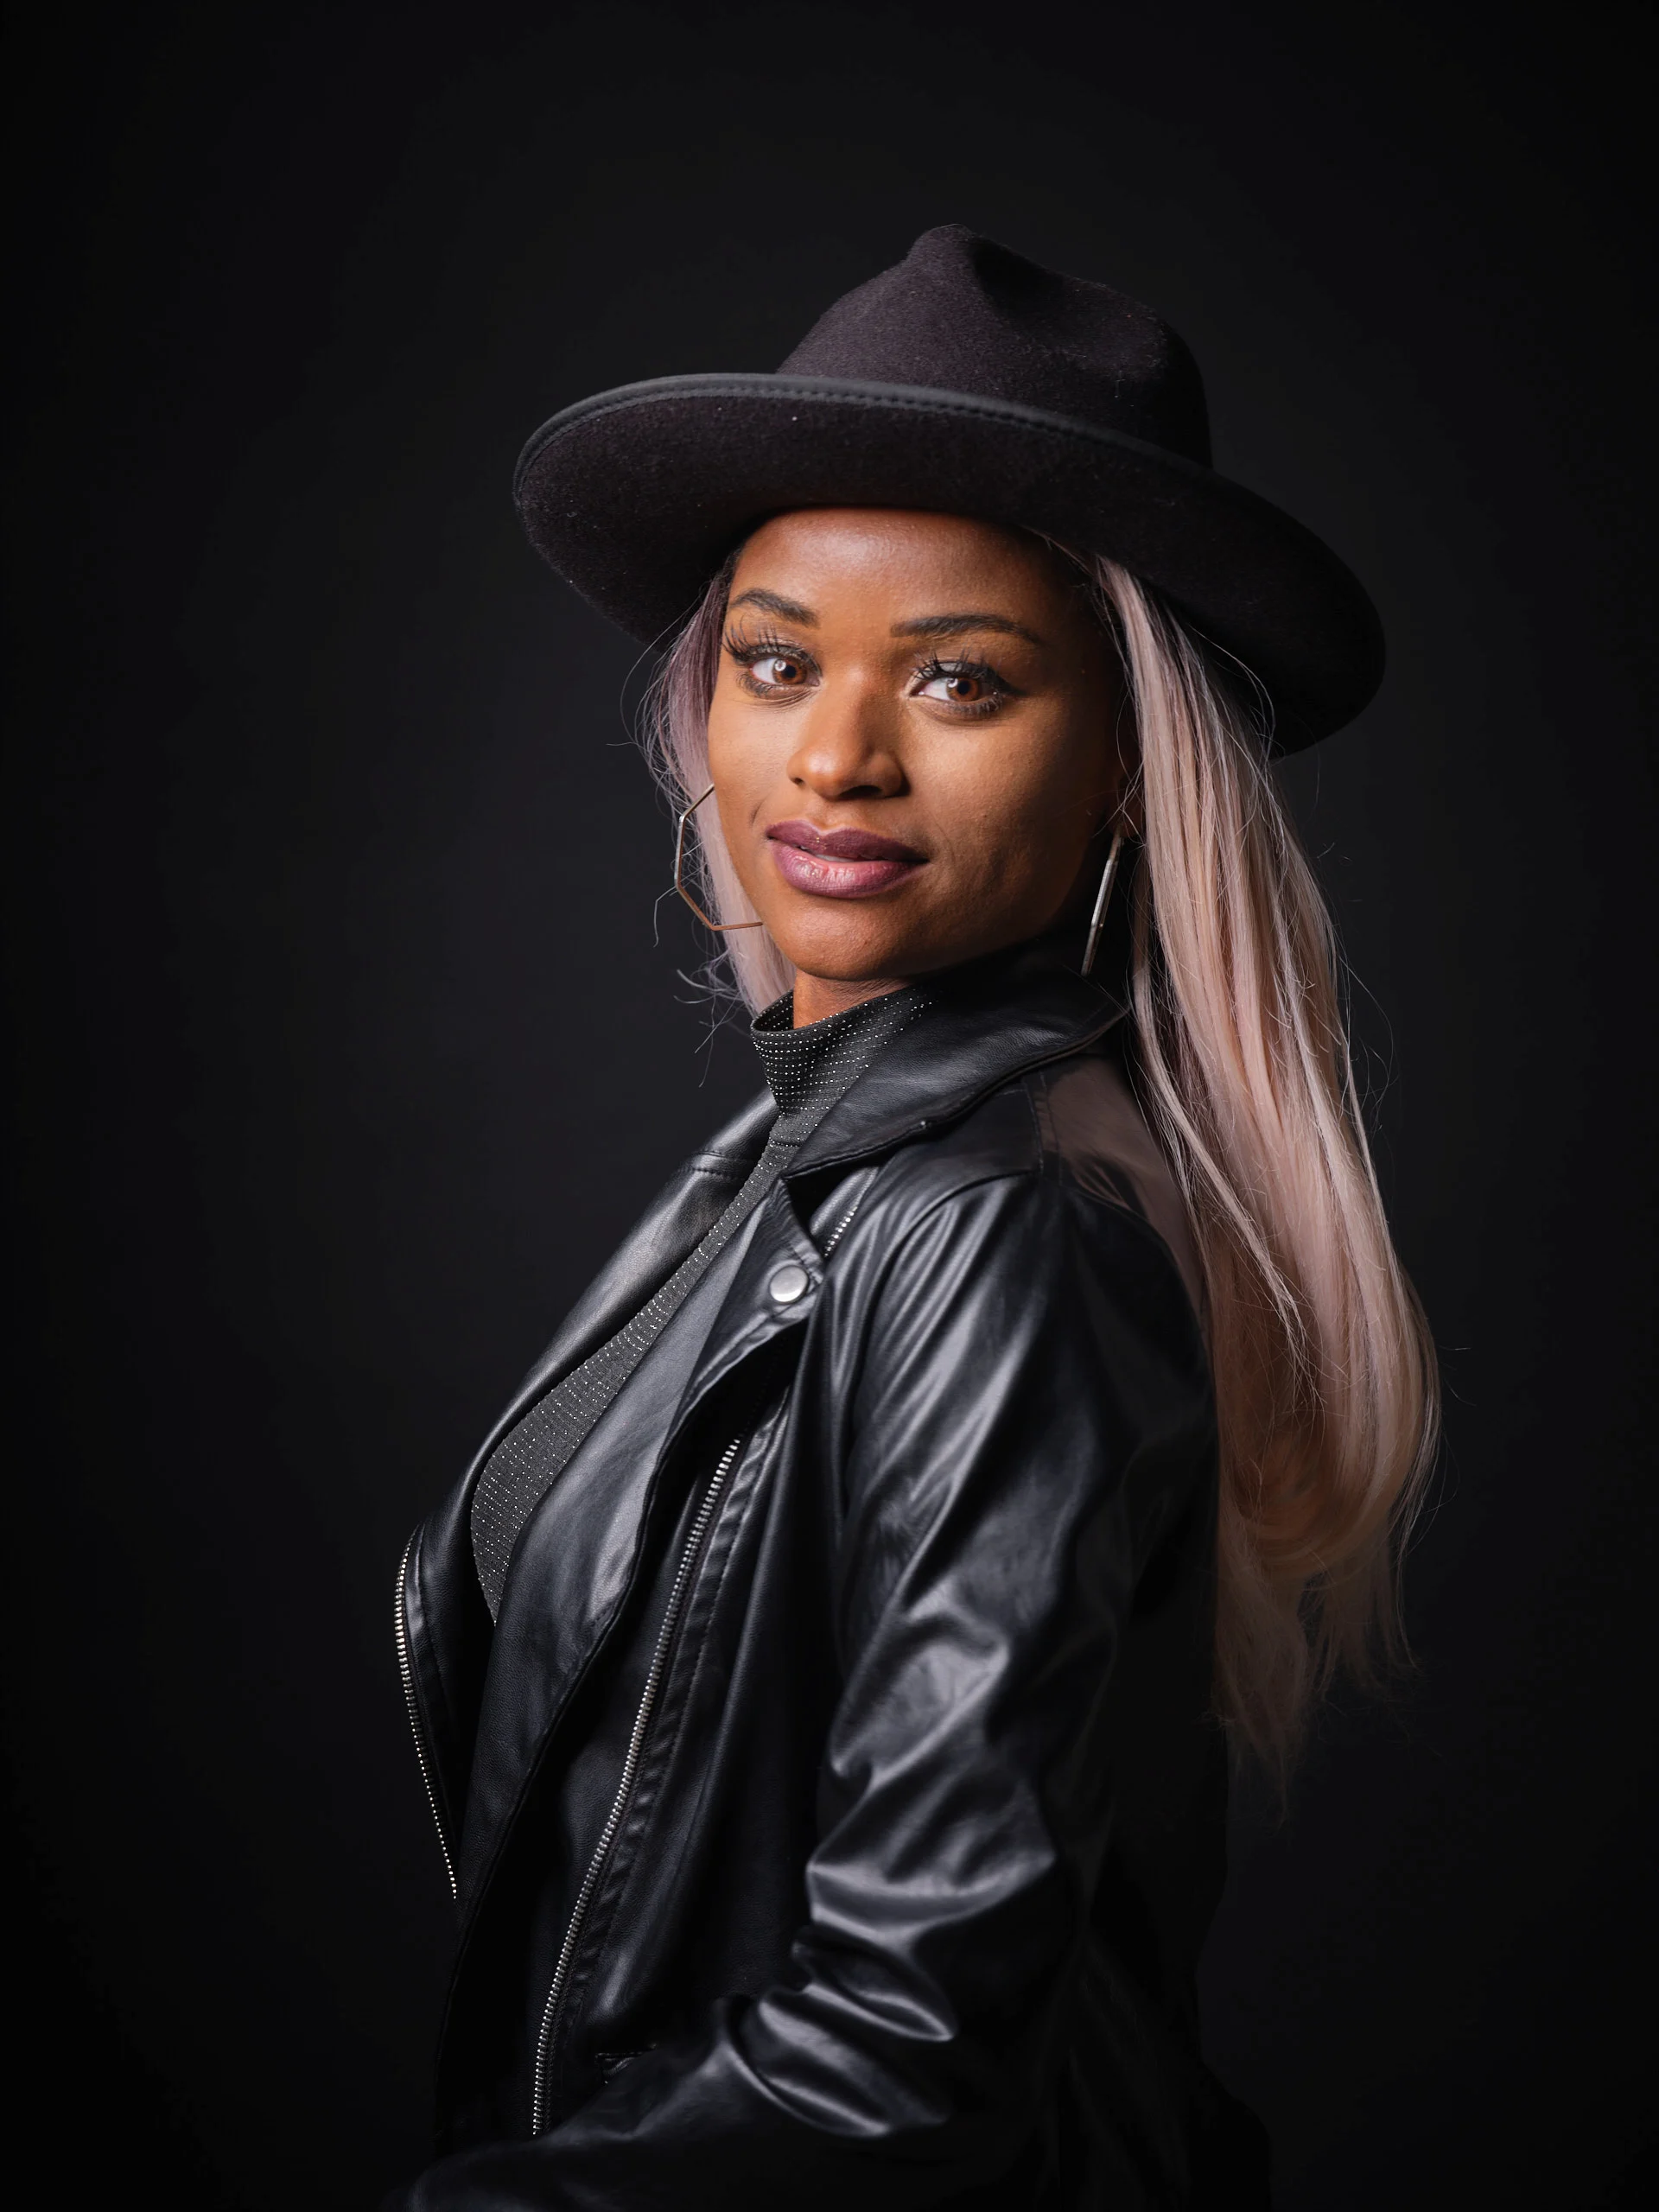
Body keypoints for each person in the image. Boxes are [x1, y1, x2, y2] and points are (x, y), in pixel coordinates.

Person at [388, 226, 1437, 2210]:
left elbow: (905, 2048)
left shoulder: (995, 1225)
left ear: (1126, 758)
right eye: (779, 659)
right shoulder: (808, 1170)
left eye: (959, 677)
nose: (837, 756)